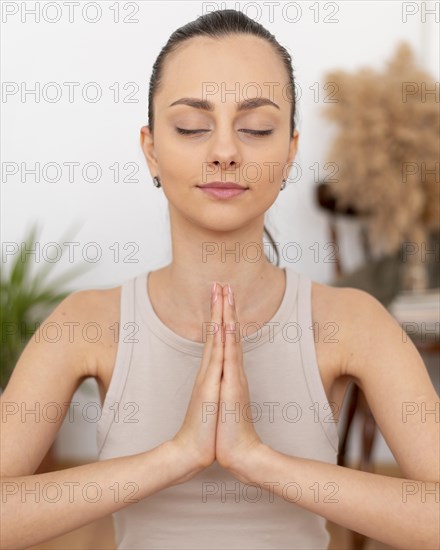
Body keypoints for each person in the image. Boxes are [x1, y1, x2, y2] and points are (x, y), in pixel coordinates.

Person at [1, 9, 438, 550]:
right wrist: (176, 456)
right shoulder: (86, 323)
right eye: (191, 127)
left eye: (256, 129)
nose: (226, 152)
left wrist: (258, 460)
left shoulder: (353, 322)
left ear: (290, 154)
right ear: (151, 148)